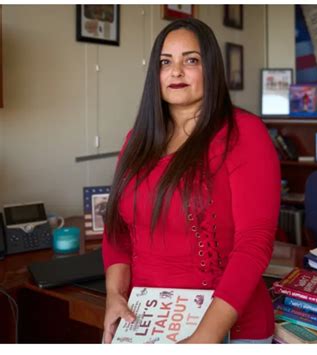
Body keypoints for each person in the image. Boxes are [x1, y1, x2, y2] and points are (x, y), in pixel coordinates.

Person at [101, 18, 280, 344]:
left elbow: (254, 244)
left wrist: (203, 339)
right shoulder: (136, 139)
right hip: (146, 321)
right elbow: (118, 232)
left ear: (211, 68)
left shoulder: (244, 133)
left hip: (224, 328)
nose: (176, 71)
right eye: (165, 62)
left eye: (191, 60)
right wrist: (114, 295)